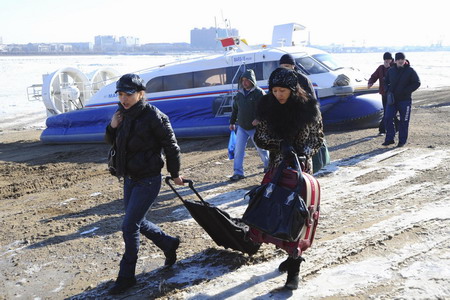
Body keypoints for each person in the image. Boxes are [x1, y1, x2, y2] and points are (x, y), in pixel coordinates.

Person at [105, 73, 184, 295]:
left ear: (141, 94)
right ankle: (169, 243)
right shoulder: (121, 114)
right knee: (137, 222)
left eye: (128, 94)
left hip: (148, 180)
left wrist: (175, 174)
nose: (124, 98)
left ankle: (126, 277)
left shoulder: (154, 116)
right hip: (129, 178)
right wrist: (112, 126)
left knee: (129, 226)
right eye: (120, 94)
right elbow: (112, 141)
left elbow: (171, 146)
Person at [255, 67, 324, 289]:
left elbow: (318, 138)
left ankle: (294, 269)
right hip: (277, 169)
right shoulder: (267, 107)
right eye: (274, 90)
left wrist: (303, 151)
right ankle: (289, 253)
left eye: (282, 90)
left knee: (298, 215)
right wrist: (279, 145)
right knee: (277, 213)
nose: (278, 95)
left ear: (293, 90)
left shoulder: (308, 109)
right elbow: (260, 136)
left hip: (301, 170)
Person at [229, 69, 269, 181]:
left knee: (261, 148)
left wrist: (258, 119)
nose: (244, 82)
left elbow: (265, 109)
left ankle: (268, 166)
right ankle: (238, 172)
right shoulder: (239, 95)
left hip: (255, 127)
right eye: (243, 80)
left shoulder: (259, 93)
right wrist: (232, 122)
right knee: (238, 150)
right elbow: (235, 110)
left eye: (247, 80)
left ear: (252, 80)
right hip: (242, 126)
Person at [383, 52, 421, 147]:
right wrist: (388, 90)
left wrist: (406, 91)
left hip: (405, 100)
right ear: (395, 60)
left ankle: (402, 141)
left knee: (404, 120)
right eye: (398, 59)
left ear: (404, 60)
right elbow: (385, 81)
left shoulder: (410, 71)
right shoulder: (391, 70)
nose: (400, 61)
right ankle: (389, 139)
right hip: (392, 100)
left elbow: (417, 83)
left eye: (402, 59)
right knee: (387, 118)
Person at [368, 52, 396, 134]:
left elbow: (395, 76)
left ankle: (382, 129)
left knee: (390, 112)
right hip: (384, 93)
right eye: (386, 59)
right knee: (387, 111)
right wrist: (370, 82)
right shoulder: (380, 68)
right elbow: (374, 76)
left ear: (391, 59)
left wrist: (389, 68)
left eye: (389, 59)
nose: (387, 61)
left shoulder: (394, 67)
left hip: (393, 93)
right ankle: (389, 128)